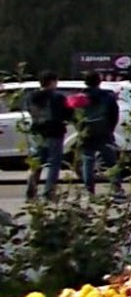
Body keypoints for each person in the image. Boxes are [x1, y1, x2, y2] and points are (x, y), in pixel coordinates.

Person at [24, 71, 71, 201]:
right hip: (54, 132)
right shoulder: (57, 97)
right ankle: (49, 191)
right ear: (52, 82)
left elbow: (29, 110)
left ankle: (31, 192)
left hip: (37, 132)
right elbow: (67, 113)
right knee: (54, 163)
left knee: (36, 162)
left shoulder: (31, 96)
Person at [77, 71, 122, 197]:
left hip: (86, 132)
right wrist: (110, 128)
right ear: (99, 81)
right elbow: (114, 114)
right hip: (104, 131)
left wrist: (80, 128)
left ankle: (89, 189)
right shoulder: (107, 97)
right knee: (111, 161)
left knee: (87, 160)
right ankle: (116, 188)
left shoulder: (80, 97)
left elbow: (75, 115)